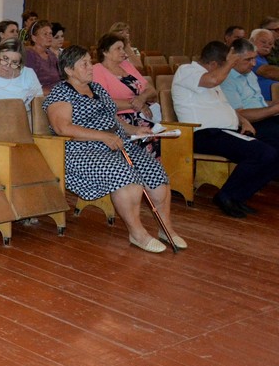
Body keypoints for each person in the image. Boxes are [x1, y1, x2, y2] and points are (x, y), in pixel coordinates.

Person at [44, 45, 182, 252]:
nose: (90, 67)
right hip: (80, 149)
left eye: (90, 62)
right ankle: (137, 233)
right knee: (127, 178)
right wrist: (103, 136)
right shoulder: (61, 93)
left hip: (114, 142)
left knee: (156, 174)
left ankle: (166, 229)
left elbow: (113, 119)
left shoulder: (97, 89)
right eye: (84, 64)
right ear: (69, 70)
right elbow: (62, 128)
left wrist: (135, 129)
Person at [173, 41, 279, 218]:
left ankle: (237, 197)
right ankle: (226, 196)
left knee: (274, 153)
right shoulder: (187, 70)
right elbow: (213, 80)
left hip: (223, 132)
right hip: (203, 133)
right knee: (263, 153)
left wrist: (243, 120)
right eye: (226, 65)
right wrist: (230, 63)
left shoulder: (212, 78)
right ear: (214, 64)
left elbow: (226, 106)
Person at [92, 33, 159, 155]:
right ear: (105, 52)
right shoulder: (98, 70)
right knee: (151, 138)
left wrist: (142, 98)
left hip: (143, 114)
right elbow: (104, 102)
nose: (123, 52)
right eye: (118, 48)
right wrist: (136, 104)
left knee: (162, 138)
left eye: (123, 48)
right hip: (120, 118)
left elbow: (151, 90)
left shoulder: (127, 66)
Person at [220, 38, 279, 150]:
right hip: (249, 125)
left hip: (265, 118)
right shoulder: (226, 79)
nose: (254, 63)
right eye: (248, 59)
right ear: (234, 59)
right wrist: (275, 109)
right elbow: (239, 114)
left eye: (254, 58)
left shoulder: (250, 74)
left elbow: (256, 102)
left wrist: (273, 104)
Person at [24, 19, 59, 94]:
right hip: (39, 95)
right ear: (34, 38)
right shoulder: (29, 54)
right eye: (45, 34)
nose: (49, 36)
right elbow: (28, 84)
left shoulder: (51, 55)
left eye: (50, 33)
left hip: (56, 93)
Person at [248, 28, 279, 101]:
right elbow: (269, 72)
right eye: (263, 42)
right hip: (259, 103)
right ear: (252, 41)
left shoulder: (263, 58)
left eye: (270, 44)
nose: (267, 45)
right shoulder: (249, 56)